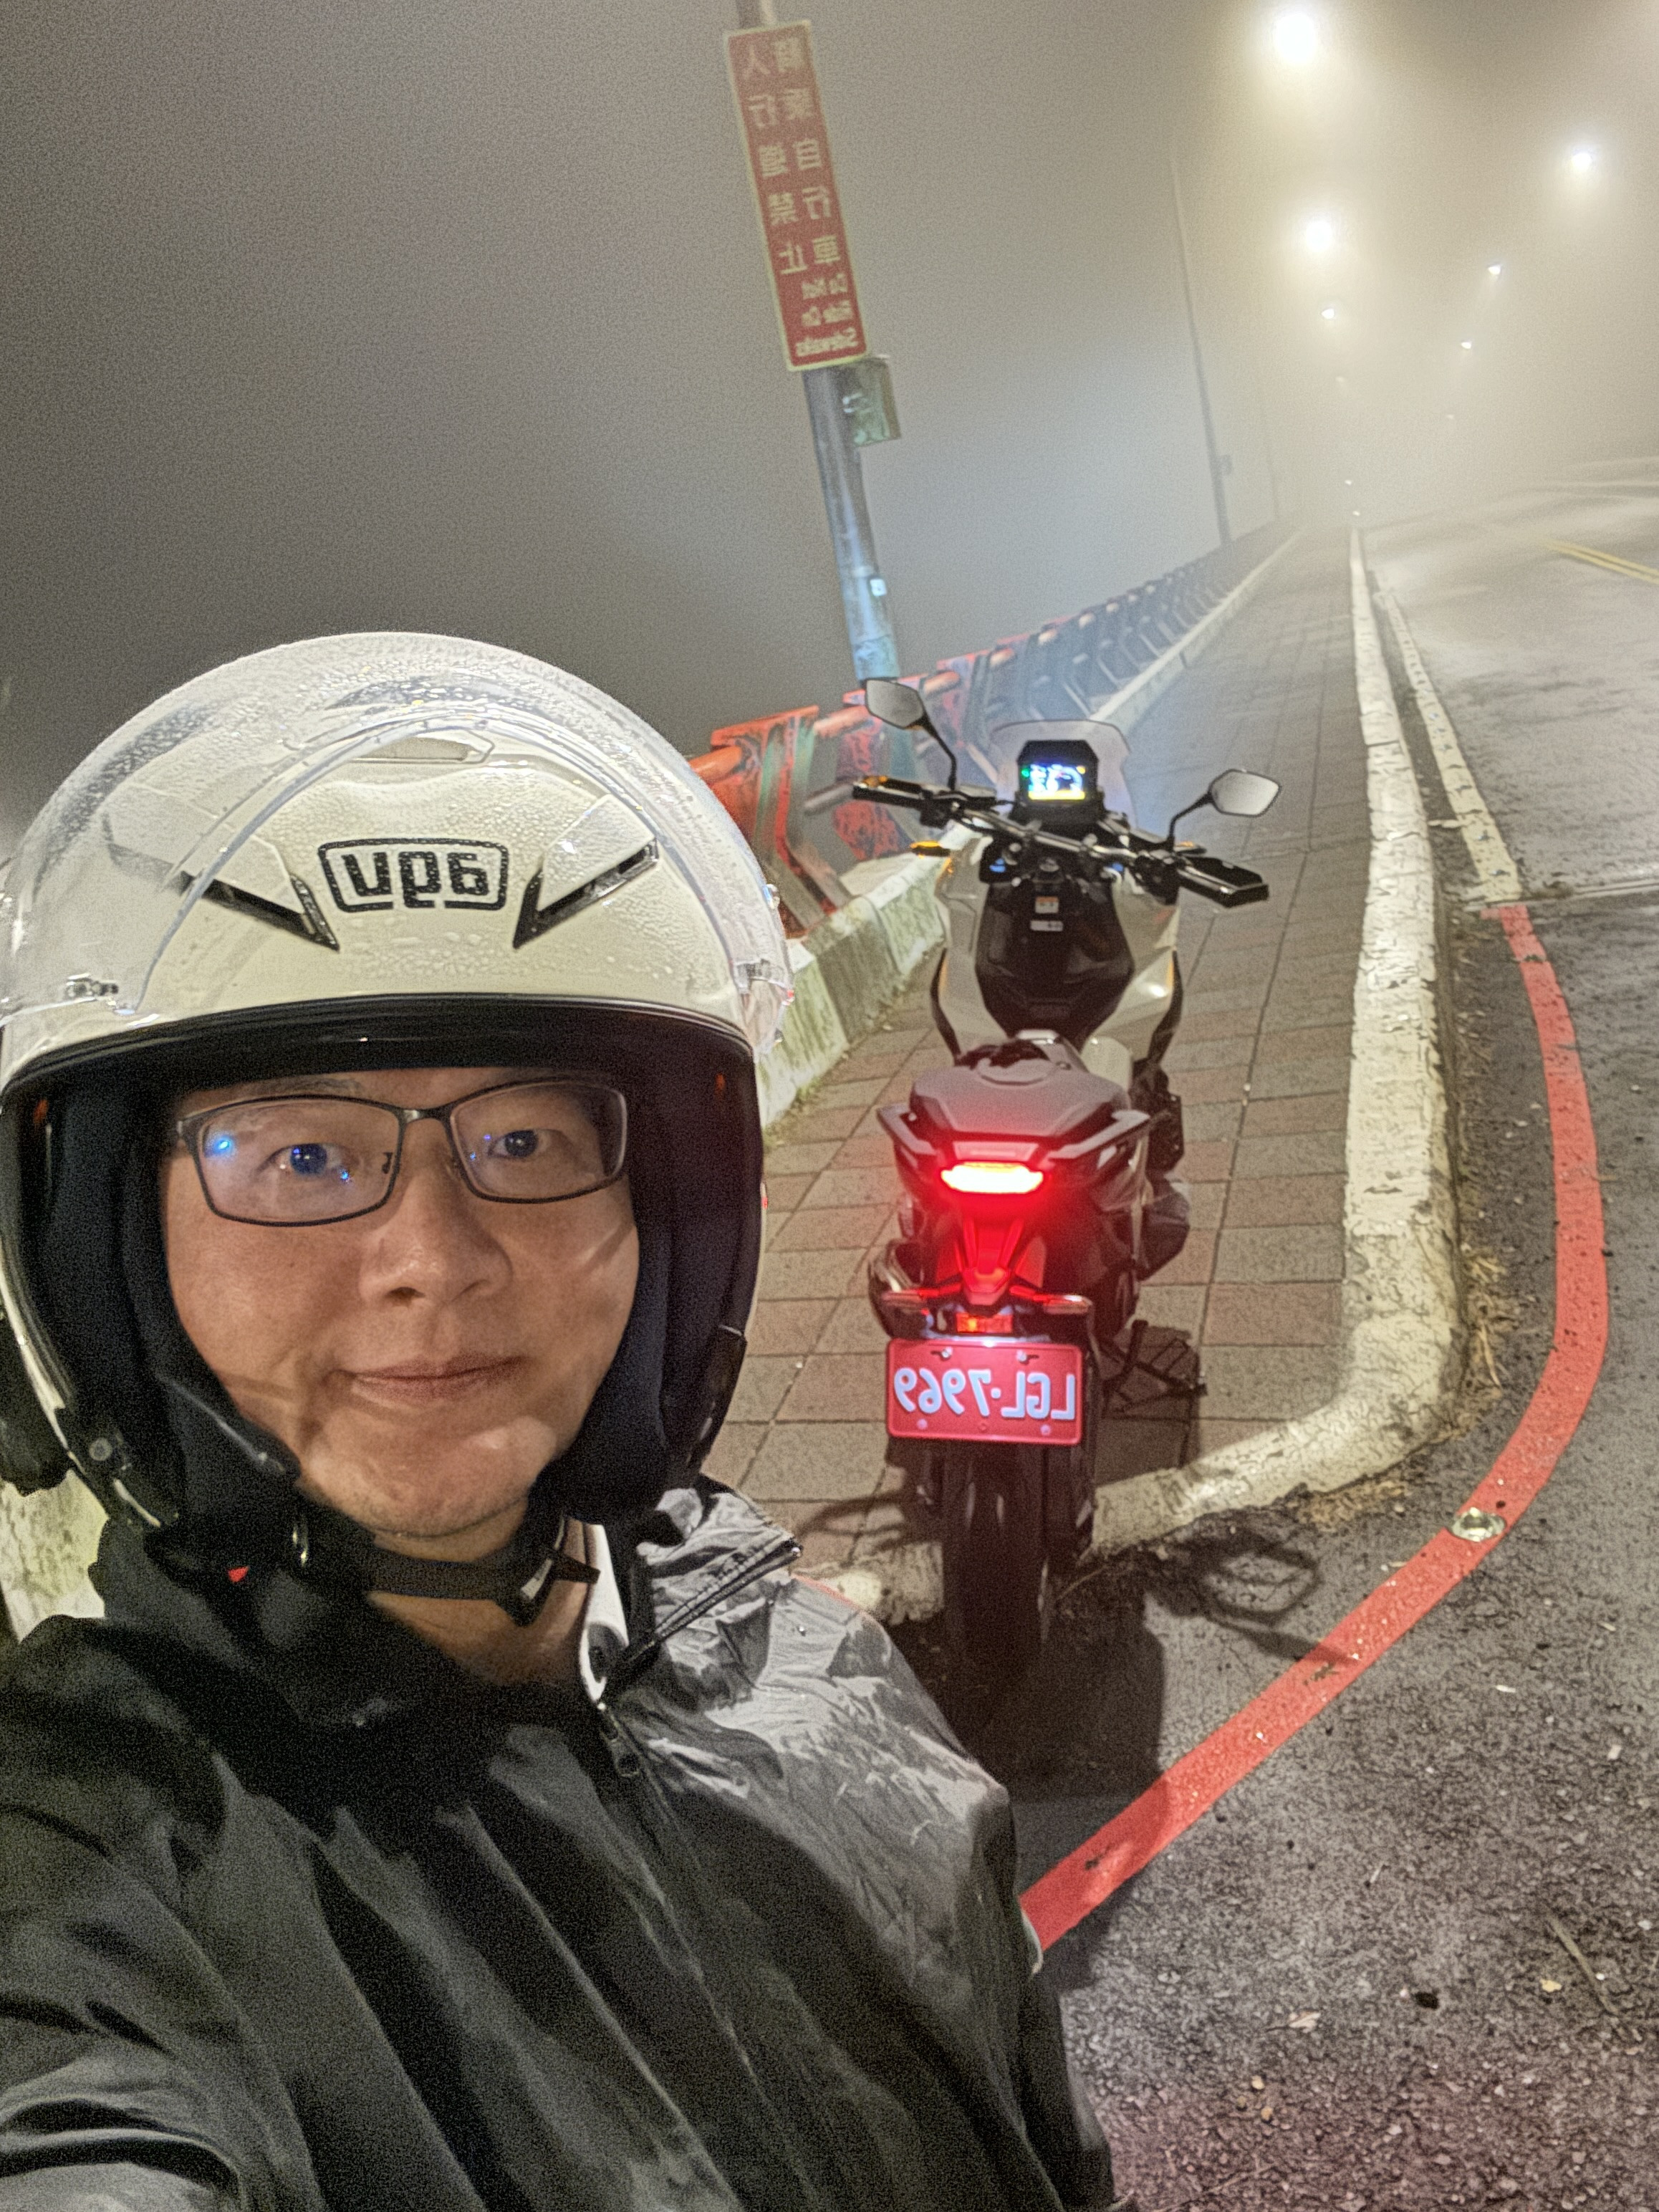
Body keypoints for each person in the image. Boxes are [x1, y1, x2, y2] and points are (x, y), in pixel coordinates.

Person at [0, 635, 1128, 2211]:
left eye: (527, 1139)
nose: (435, 1259)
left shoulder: (801, 1645)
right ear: (113, 1255)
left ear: (663, 1215)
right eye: (299, 1156)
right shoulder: (101, 1867)